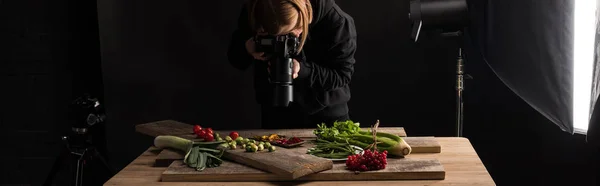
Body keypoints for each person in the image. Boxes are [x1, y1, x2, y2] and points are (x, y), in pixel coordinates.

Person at [227, 0, 357, 129]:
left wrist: (303, 70)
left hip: (326, 117)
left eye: (290, 34)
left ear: (303, 19)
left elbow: (342, 75)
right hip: (275, 114)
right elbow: (236, 60)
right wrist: (246, 48)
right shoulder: (257, 11)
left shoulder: (336, 22)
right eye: (274, 36)